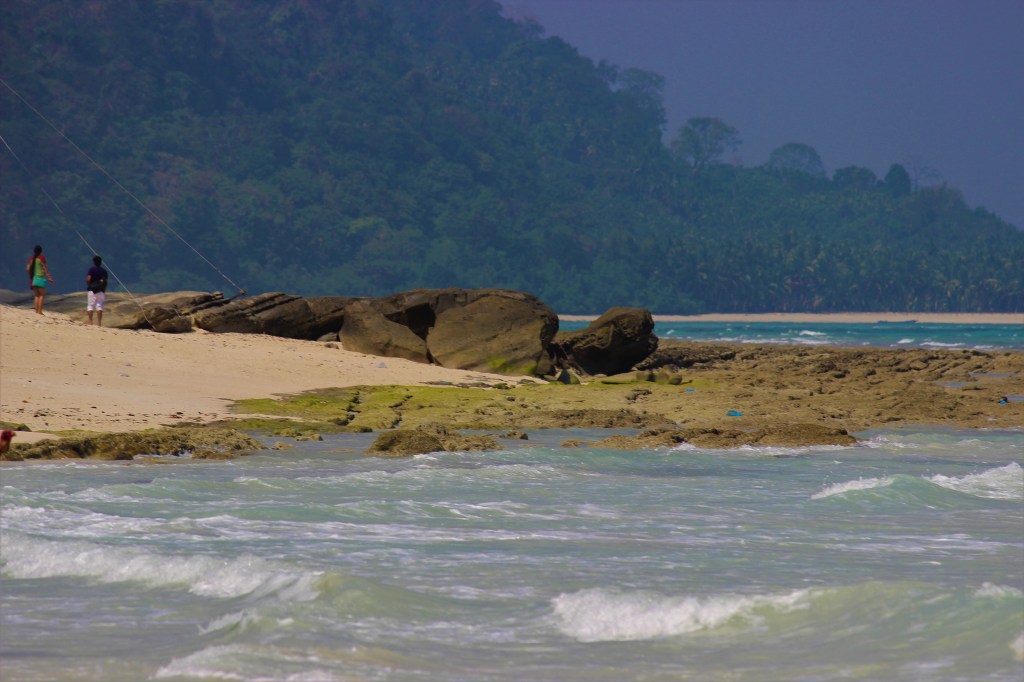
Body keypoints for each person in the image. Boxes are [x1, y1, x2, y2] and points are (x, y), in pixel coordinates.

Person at [26, 245, 54, 315]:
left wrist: (31, 275)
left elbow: (28, 269)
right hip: (40, 278)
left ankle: (36, 311)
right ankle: (40, 311)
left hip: (34, 278)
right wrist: (49, 277)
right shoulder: (41, 258)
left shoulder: (31, 259)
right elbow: (44, 268)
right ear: (41, 251)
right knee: (42, 295)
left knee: (36, 295)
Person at [86, 255, 109, 326]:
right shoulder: (104, 271)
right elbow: (105, 281)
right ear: (101, 262)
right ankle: (99, 323)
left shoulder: (91, 269)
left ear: (93, 262)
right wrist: (103, 289)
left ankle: (90, 321)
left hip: (92, 290)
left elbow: (88, 279)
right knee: (99, 306)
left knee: (90, 305)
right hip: (101, 290)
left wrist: (90, 286)